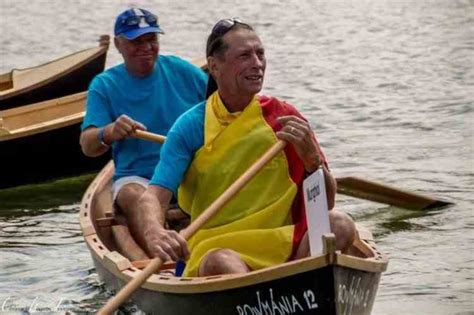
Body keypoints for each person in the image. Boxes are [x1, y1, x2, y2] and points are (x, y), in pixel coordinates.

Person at [134, 18, 356, 277]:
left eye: (260, 53)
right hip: (218, 246)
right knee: (221, 263)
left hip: (284, 243)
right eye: (244, 56)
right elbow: (154, 195)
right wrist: (154, 232)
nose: (257, 63)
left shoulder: (285, 117)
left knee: (340, 224)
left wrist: (312, 162)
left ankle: (296, 287)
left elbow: (326, 201)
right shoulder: (191, 126)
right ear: (215, 67)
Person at [80, 8, 207, 220]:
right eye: (137, 42)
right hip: (140, 179)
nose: (146, 48)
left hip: (191, 173)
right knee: (133, 195)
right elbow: (87, 145)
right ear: (119, 44)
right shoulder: (104, 85)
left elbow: (224, 106)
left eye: (151, 39)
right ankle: (160, 241)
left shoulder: (183, 71)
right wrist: (109, 131)